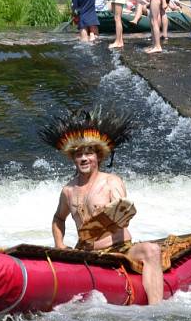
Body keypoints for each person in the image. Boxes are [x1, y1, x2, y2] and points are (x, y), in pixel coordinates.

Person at [41, 108, 163, 305]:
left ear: (98, 156)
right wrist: (60, 245)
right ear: (73, 158)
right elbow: (58, 218)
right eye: (78, 154)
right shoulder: (68, 191)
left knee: (152, 250)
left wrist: (119, 206)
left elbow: (123, 208)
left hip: (119, 249)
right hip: (86, 253)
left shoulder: (111, 182)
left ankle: (156, 310)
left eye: (88, 153)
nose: (83, 158)